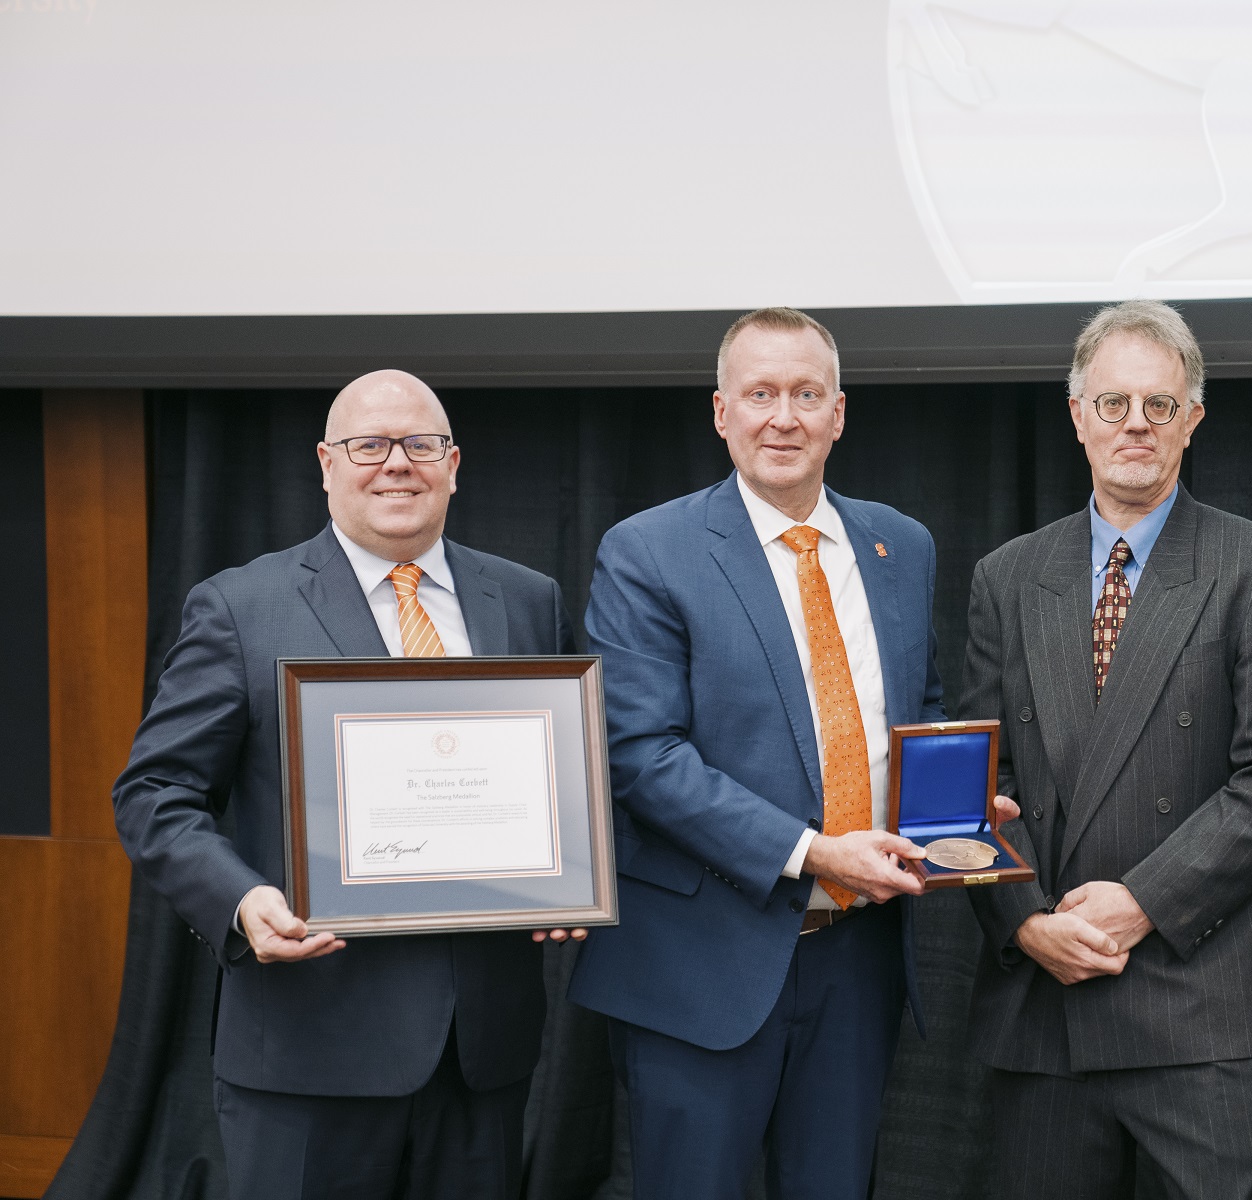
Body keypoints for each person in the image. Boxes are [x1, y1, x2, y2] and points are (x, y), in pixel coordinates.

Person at [111, 370, 580, 1200]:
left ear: (454, 463)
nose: (396, 463)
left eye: (420, 445)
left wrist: (566, 882)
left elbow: (557, 774)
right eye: (370, 445)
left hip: (481, 1054)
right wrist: (240, 899)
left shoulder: (526, 598)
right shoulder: (240, 608)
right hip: (308, 1049)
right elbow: (156, 792)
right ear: (327, 463)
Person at [565, 307, 998, 1199]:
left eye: (806, 393)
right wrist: (811, 853)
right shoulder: (649, 550)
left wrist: (954, 803)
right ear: (721, 412)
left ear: (840, 413)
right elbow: (641, 754)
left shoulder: (899, 544)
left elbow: (916, 708)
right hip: (699, 964)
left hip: (858, 960)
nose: (783, 417)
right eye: (760, 394)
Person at [960, 299, 1252, 1200]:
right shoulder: (1007, 577)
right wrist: (1025, 922)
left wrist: (1139, 904)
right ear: (1077, 415)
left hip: (1194, 1008)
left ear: (1193, 420)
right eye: (1113, 403)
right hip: (1042, 1003)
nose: (1135, 425)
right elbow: (979, 781)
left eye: (1159, 406)